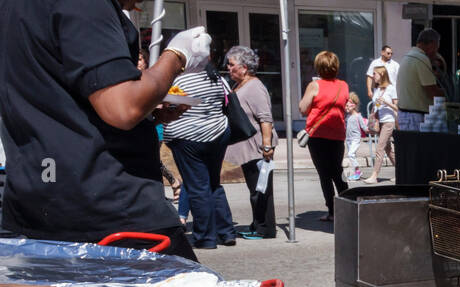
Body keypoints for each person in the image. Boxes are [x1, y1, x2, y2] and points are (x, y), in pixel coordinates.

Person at [0, 0, 211, 259]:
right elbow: (123, 107)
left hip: (36, 202)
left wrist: (148, 117)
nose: (139, 4)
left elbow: (56, 105)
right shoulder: (85, 5)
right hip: (108, 210)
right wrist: (177, 55)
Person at [162, 65, 237, 250]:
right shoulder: (216, 78)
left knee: (197, 187)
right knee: (213, 183)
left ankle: (205, 237)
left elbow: (170, 106)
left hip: (187, 137)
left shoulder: (180, 80)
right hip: (217, 133)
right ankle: (226, 231)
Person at [223, 45, 276, 241]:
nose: (228, 68)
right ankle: (257, 224)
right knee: (255, 189)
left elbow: (265, 118)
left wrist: (267, 145)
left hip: (258, 146)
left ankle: (265, 229)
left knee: (261, 189)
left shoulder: (255, 86)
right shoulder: (239, 85)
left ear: (244, 67)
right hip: (247, 146)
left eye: (231, 64)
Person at [298, 50, 348, 223]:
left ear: (318, 67)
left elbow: (303, 109)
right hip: (338, 135)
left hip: (318, 135)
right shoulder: (344, 85)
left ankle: (332, 211)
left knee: (324, 174)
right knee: (338, 172)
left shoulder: (314, 86)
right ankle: (348, 206)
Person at [397, 29, 443, 131]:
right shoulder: (421, 58)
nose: (436, 52)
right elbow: (432, 92)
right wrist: (449, 96)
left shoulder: (409, 55)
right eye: (436, 48)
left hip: (406, 114)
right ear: (432, 44)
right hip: (415, 116)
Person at [364, 65, 397, 185]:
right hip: (380, 121)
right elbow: (376, 107)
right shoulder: (377, 90)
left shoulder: (391, 89)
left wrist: (386, 102)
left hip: (389, 121)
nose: (373, 76)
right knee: (388, 150)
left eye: (375, 74)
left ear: (382, 74)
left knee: (380, 148)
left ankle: (374, 175)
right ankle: (402, 172)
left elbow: (397, 107)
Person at [344, 93, 365, 181]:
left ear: (355, 105)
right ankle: (356, 173)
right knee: (352, 155)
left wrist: (372, 129)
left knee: (351, 154)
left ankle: (358, 172)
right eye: (346, 105)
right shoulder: (348, 116)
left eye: (349, 104)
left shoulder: (358, 116)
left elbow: (364, 127)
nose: (347, 106)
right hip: (348, 139)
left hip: (355, 139)